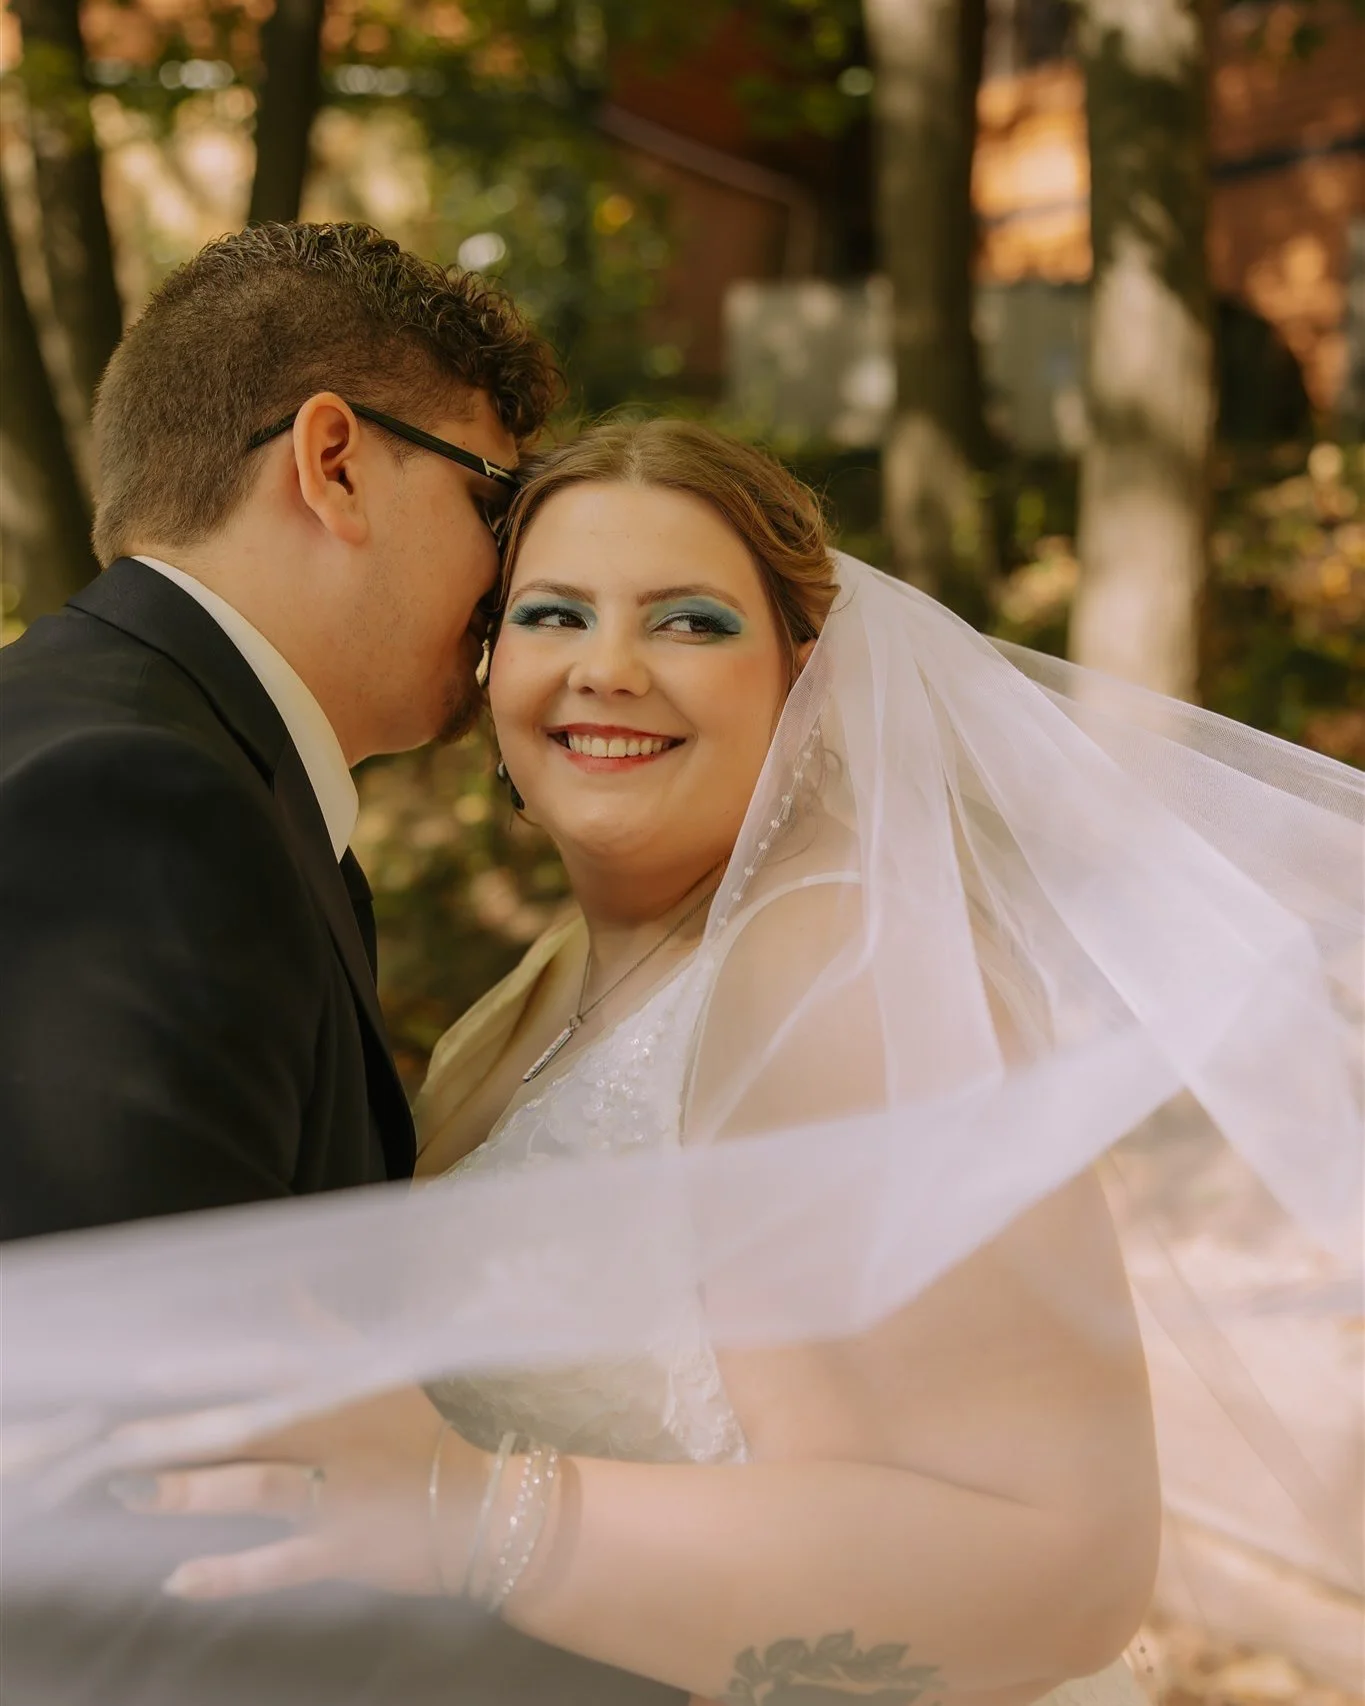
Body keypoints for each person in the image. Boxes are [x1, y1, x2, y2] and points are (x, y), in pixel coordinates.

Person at [5, 424, 1358, 1704]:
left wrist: (469, 1510)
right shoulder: (526, 998)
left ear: (803, 673)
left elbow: (1066, 1561)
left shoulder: (845, 971)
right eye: (552, 612)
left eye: (689, 621)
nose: (608, 665)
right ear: (489, 672)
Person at [0, 220, 557, 1240]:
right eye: (493, 502)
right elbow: (153, 1359)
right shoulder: (139, 802)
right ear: (334, 462)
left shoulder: (142, 751)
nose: (513, 573)